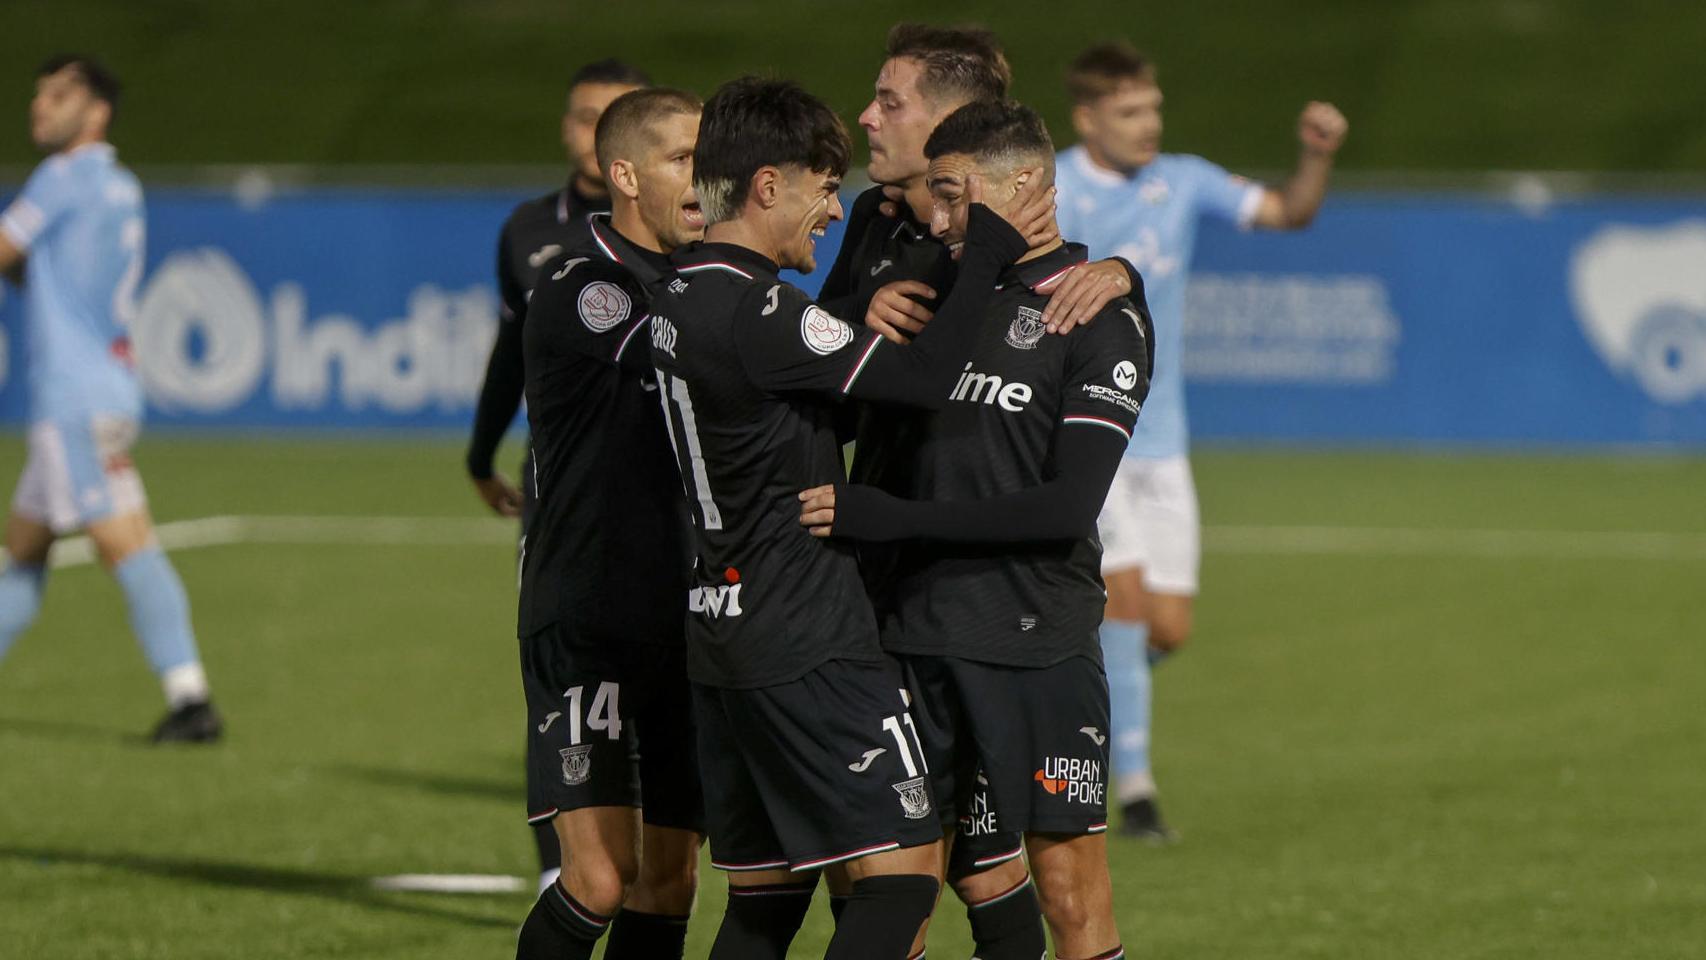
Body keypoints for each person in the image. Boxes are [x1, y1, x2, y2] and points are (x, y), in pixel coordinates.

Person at [649, 76, 1051, 960]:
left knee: (762, 902)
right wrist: (983, 252)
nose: (832, 212)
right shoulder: (759, 312)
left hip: (720, 632)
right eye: (820, 189)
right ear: (767, 187)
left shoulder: (677, 297)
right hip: (808, 631)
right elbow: (923, 380)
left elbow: (795, 385)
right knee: (905, 877)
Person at [798, 98, 1151, 960]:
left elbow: (1069, 505)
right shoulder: (930, 295)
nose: (941, 218)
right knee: (892, 898)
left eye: (955, 196)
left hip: (1033, 641)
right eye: (935, 197)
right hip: (905, 639)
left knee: (1068, 897)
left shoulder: (1098, 315)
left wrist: (894, 520)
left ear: (1026, 185)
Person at [1055, 41, 1349, 840]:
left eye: (1153, 108)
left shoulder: (1180, 182)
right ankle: (1138, 792)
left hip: (1164, 436)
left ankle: (1062, 687)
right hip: (1085, 433)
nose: (1149, 125)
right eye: (1129, 113)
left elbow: (1289, 212)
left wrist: (1313, 157)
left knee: (1167, 628)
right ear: (1088, 118)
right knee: (1126, 604)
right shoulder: (1051, 187)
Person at [512, 87, 706, 960]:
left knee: (672, 880)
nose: (705, 180)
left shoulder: (706, 281)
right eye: (682, 160)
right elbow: (694, 347)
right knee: (594, 880)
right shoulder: (582, 284)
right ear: (624, 174)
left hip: (687, 617)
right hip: (588, 617)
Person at [461, 57, 649, 891]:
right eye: (581, 116)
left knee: (662, 687)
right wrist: (480, 452)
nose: (591, 132)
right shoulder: (529, 229)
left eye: (611, 117)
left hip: (660, 487)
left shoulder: (678, 222)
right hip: (561, 489)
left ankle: (656, 860)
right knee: (561, 681)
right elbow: (513, 351)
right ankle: (558, 874)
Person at [0, 56, 220, 743]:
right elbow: (53, 278)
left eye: (59, 95)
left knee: (125, 544)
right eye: (39, 94)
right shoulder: (121, 186)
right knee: (23, 551)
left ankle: (192, 702)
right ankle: (191, 699)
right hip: (103, 389)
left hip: (73, 399)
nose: (41, 106)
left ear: (96, 112)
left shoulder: (64, 176)